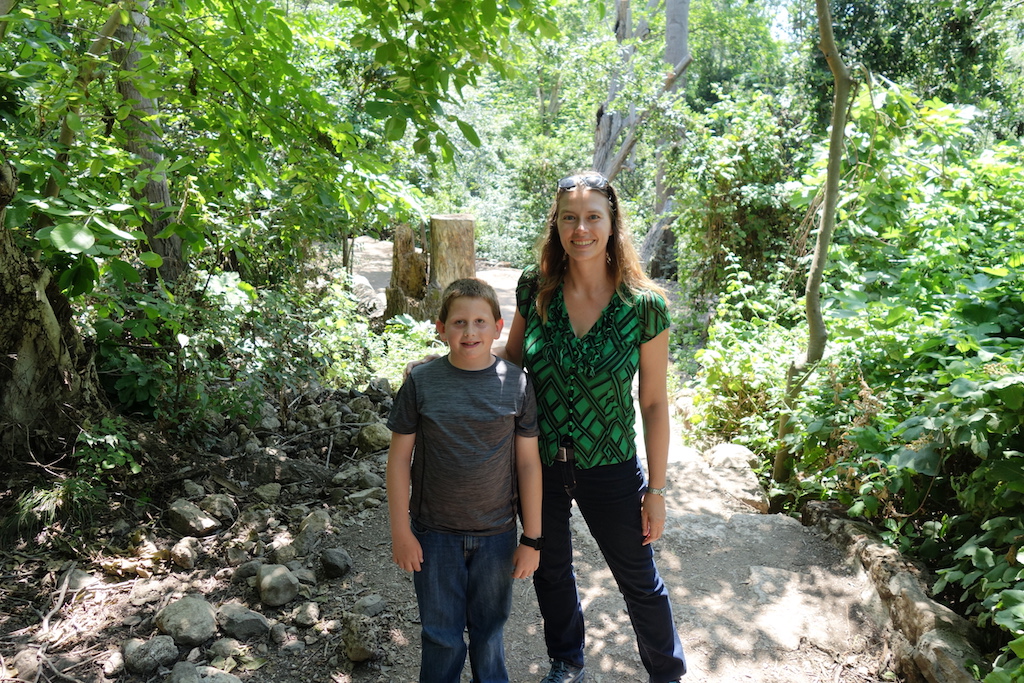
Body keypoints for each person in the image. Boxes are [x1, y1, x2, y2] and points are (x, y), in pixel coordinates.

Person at [503, 171, 687, 683]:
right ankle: (567, 661)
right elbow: (512, 367)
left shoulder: (643, 307)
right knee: (551, 568)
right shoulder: (534, 289)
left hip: (610, 465)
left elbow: (653, 402)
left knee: (638, 579)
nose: (580, 228)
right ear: (556, 225)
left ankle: (667, 672)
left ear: (611, 224)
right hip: (540, 463)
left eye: (592, 218)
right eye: (569, 218)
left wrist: (657, 488)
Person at [386, 277, 544, 683]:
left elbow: (528, 464)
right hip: (433, 534)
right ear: (440, 328)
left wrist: (532, 539)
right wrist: (401, 531)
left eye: (479, 322)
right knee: (441, 636)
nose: (469, 332)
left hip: (496, 535)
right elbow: (399, 459)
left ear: (498, 326)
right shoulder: (422, 382)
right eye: (458, 322)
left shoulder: (518, 384)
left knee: (489, 634)